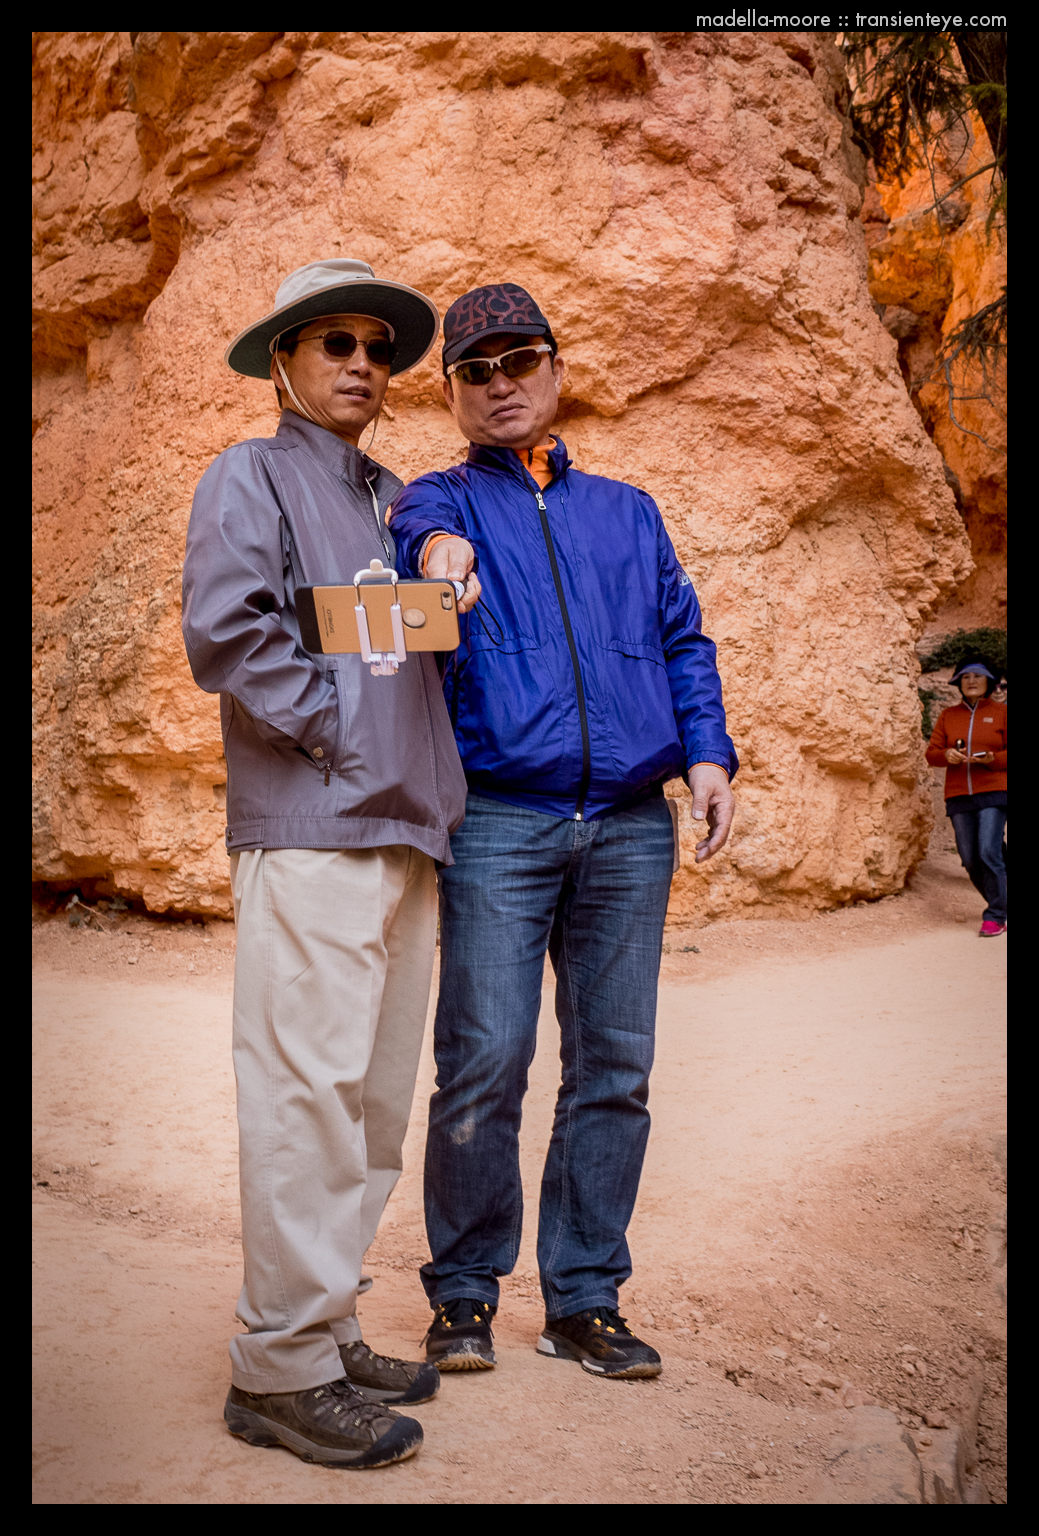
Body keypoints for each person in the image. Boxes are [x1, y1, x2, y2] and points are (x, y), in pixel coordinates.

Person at [390, 282, 738, 1381]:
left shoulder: (628, 512)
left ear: (554, 367)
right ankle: (462, 1296)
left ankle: (584, 1297)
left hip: (632, 822)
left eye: (519, 360)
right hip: (500, 817)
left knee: (615, 1068)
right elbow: (417, 540)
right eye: (476, 370)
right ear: (451, 390)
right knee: (483, 1059)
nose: (501, 384)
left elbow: (682, 639)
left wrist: (709, 755)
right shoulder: (434, 496)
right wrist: (439, 553)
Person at [181, 258, 472, 1469]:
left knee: (369, 1106)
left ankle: (326, 1322)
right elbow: (228, 627)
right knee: (304, 1100)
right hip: (310, 828)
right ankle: (280, 1371)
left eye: (377, 346)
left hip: (404, 833)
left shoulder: (393, 496)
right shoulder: (249, 474)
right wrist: (342, 738)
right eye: (333, 341)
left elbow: (408, 657)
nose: (362, 361)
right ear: (285, 363)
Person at [925, 653, 1007, 936]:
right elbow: (931, 754)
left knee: (988, 850)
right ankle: (1003, 904)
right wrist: (946, 754)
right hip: (958, 794)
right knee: (970, 858)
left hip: (994, 790)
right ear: (959, 683)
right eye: (966, 677)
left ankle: (995, 914)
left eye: (978, 676)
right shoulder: (949, 716)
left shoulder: (1002, 713)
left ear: (990, 681)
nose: (971, 681)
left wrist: (992, 760)